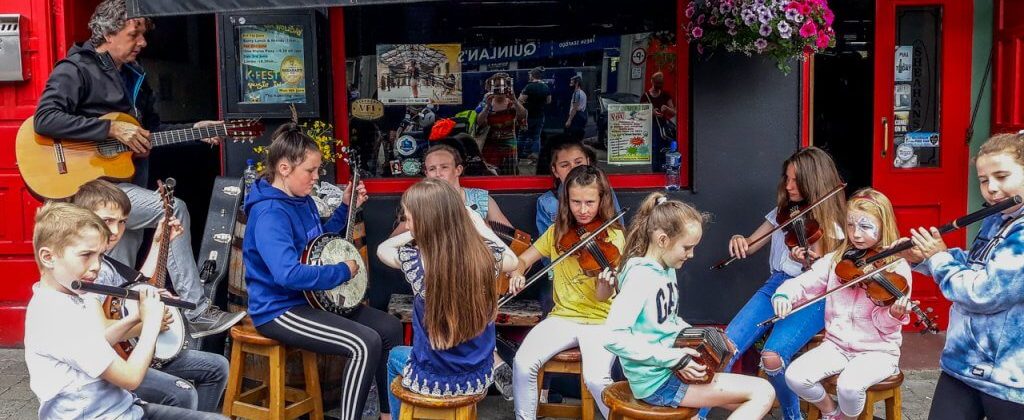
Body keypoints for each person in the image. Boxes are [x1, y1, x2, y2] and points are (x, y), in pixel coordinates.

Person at [31, 0, 243, 338]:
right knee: (171, 211)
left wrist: (196, 130)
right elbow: (45, 118)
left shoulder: (134, 76)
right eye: (134, 34)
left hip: (121, 186)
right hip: (91, 188)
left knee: (120, 271)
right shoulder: (76, 69)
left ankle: (121, 342)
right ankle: (197, 310)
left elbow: (150, 134)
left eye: (142, 35)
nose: (142, 42)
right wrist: (110, 129)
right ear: (108, 33)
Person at [242, 123, 403, 420]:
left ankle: (387, 414)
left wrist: (344, 208)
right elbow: (287, 274)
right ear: (285, 167)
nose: (316, 179)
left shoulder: (301, 201)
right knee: (364, 343)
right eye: (311, 171)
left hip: (313, 299)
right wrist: (342, 271)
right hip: (281, 309)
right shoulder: (269, 214)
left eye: (318, 171)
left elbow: (319, 245)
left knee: (390, 328)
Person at [24, 202, 225, 419]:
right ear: (48, 257)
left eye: (100, 256)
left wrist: (135, 318)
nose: (96, 266)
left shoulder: (68, 297)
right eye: (86, 255)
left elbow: (98, 339)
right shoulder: (55, 317)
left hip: (122, 409)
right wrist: (149, 325)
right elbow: (130, 378)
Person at [698, 146, 846, 420]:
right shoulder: (783, 212)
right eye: (786, 178)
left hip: (814, 293)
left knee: (773, 356)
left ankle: (792, 416)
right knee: (726, 345)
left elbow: (830, 273)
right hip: (777, 285)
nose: (788, 186)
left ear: (815, 182)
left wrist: (808, 261)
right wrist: (740, 240)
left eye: (795, 181)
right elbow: (751, 244)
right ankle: (699, 414)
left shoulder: (834, 224)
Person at [604, 192, 775, 418]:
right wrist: (675, 358)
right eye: (687, 247)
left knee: (744, 405)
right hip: (659, 382)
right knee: (763, 392)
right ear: (662, 240)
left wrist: (711, 337)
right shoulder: (641, 277)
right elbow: (613, 337)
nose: (692, 254)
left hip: (669, 372)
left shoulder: (666, 269)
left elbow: (669, 321)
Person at [70, 179, 229, 412]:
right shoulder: (88, 269)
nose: (115, 231)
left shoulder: (107, 263)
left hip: (129, 350)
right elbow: (102, 332)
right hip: (113, 363)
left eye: (122, 222)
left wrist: (157, 244)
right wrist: (149, 322)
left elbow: (133, 285)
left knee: (217, 366)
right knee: (180, 392)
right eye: (107, 221)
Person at [895, 132, 1024, 419]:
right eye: (983, 179)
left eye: (1002, 176)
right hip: (964, 363)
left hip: (1010, 379)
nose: (991, 188)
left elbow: (985, 292)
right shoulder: (997, 218)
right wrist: (923, 258)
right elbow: (974, 267)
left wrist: (938, 256)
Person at [378, 178, 518, 417]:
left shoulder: (417, 261)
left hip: (435, 376)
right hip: (477, 376)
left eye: (409, 218)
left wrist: (416, 230)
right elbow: (513, 260)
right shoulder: (483, 259)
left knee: (393, 357)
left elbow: (383, 249)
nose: (407, 224)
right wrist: (479, 226)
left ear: (423, 222)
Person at [774, 188, 915, 420]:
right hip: (836, 346)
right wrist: (784, 296)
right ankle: (832, 412)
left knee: (849, 387)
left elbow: (885, 326)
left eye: (865, 226)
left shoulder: (895, 268)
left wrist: (892, 313)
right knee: (795, 375)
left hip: (877, 352)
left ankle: (848, 419)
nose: (856, 234)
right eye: (850, 226)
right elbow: (806, 282)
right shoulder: (837, 260)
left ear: (884, 225)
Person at [508, 165, 623, 419]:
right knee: (523, 364)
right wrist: (517, 273)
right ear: (565, 201)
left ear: (602, 199)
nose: (583, 210)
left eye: (590, 202)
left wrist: (605, 284)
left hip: (601, 323)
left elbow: (604, 297)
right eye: (576, 202)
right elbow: (524, 260)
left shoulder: (614, 237)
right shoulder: (557, 233)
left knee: (596, 379)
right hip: (562, 317)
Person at [391, 143, 513, 236]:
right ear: (426, 173)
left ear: (458, 170)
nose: (438, 174)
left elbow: (511, 237)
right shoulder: (419, 202)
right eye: (432, 169)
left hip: (477, 265)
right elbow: (393, 242)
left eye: (444, 167)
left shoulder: (481, 198)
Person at [478, 73, 527, 175]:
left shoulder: (511, 102)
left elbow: (522, 115)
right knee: (491, 174)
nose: (500, 89)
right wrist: (487, 107)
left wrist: (515, 100)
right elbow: (479, 122)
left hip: (508, 145)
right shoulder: (487, 101)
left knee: (509, 174)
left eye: (502, 86)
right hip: (490, 145)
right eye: (496, 87)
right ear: (491, 87)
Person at [640, 72, 677, 172]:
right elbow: (641, 115)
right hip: (652, 127)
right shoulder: (645, 96)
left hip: (664, 128)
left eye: (660, 85)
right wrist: (652, 113)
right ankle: (656, 171)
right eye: (657, 84)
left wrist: (666, 109)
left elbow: (674, 112)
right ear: (652, 82)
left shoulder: (665, 95)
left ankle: (665, 169)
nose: (658, 87)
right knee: (655, 150)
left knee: (665, 149)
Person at [518, 67, 552, 162]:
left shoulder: (529, 87)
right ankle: (534, 155)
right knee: (536, 136)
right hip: (540, 115)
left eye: (530, 75)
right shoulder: (545, 87)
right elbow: (549, 101)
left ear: (532, 76)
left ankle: (518, 154)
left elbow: (520, 100)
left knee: (522, 135)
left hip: (528, 116)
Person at [564, 75, 588, 141]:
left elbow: (574, 108)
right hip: (582, 116)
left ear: (576, 83)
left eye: (572, 83)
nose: (570, 85)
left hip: (576, 117)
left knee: (573, 138)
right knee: (579, 138)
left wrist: (569, 120)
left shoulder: (576, 94)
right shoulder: (583, 93)